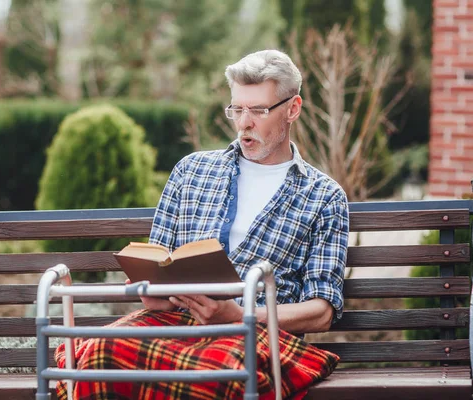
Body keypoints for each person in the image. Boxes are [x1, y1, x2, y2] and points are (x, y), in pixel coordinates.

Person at [55, 49, 349, 400]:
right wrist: (153, 292)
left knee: (219, 374)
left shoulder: (324, 196)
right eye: (236, 109)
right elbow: (157, 259)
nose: (244, 123)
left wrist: (242, 314)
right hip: (171, 323)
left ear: (293, 109)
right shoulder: (191, 171)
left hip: (255, 332)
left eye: (257, 110)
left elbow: (322, 311)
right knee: (97, 354)